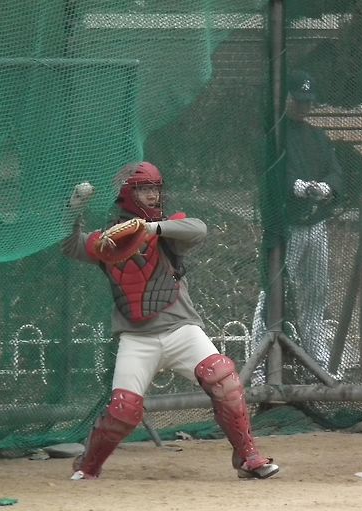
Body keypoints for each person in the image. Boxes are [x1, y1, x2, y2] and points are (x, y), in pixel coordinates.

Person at [61, 161, 279, 480]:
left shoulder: (167, 231)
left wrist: (152, 229)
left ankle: (248, 458)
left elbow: (198, 228)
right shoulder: (108, 241)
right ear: (127, 194)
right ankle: (88, 466)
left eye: (155, 189)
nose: (152, 196)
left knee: (225, 382)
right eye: (143, 190)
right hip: (137, 338)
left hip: (181, 330)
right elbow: (71, 245)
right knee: (123, 410)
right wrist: (74, 211)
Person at [251, 70, 345, 381]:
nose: (305, 106)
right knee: (271, 295)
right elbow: (273, 176)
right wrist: (299, 187)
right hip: (285, 227)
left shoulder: (317, 137)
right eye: (299, 100)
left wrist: (327, 188)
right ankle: (259, 368)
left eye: (309, 101)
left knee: (315, 297)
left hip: (315, 225)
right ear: (286, 98)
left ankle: (318, 365)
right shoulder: (273, 136)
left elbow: (336, 172)